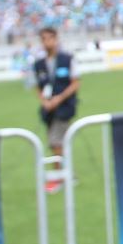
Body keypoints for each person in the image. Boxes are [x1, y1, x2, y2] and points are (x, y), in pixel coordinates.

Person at [32, 27, 80, 193]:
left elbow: (75, 82)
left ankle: (59, 177)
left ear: (56, 39)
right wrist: (44, 101)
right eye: (43, 39)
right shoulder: (39, 64)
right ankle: (69, 174)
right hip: (49, 110)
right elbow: (37, 86)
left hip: (64, 107)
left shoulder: (67, 59)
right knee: (59, 143)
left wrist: (59, 98)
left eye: (49, 38)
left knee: (55, 141)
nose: (46, 42)